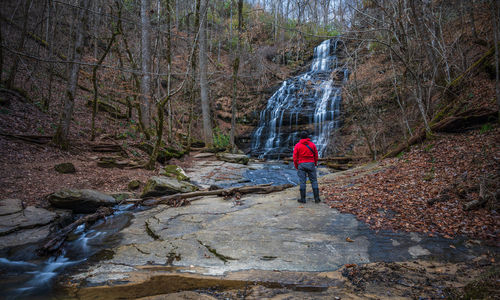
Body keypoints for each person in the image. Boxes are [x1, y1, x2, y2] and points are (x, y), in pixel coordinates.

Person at [293, 131, 320, 203]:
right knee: (314, 181)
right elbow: (316, 155)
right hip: (311, 164)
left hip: (301, 165)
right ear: (307, 137)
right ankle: (317, 198)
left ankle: (303, 199)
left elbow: (295, 158)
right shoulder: (312, 145)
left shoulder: (297, 145)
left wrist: (296, 166)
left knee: (302, 182)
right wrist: (315, 163)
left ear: (300, 137)